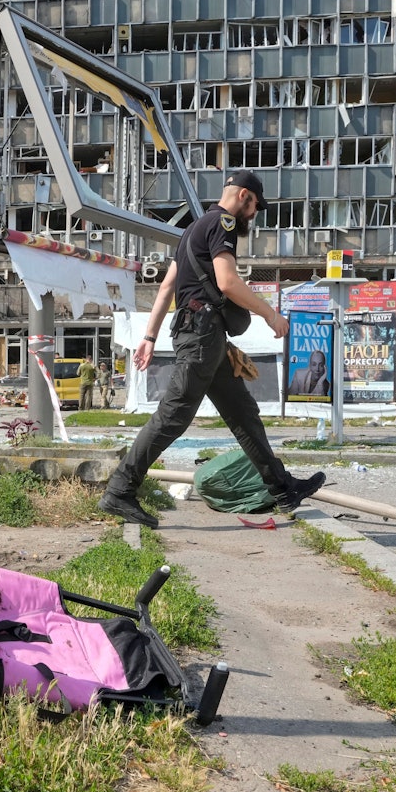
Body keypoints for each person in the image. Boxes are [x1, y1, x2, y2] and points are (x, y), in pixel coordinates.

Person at [97, 169, 326, 528]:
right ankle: (119, 490)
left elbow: (166, 287)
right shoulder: (224, 223)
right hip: (202, 335)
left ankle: (281, 488)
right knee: (173, 416)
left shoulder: (192, 229)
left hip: (205, 335)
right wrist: (270, 315)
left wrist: (150, 336)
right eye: (254, 207)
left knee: (243, 413)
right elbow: (228, 281)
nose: (253, 216)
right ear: (244, 196)